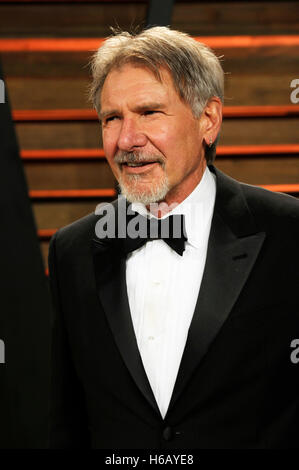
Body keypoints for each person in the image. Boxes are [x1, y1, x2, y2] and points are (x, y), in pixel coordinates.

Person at [48, 26, 299, 449]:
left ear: (208, 119)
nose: (127, 140)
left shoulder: (288, 233)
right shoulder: (72, 251)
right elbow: (66, 418)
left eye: (149, 112)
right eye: (112, 119)